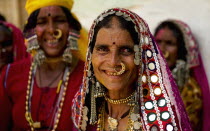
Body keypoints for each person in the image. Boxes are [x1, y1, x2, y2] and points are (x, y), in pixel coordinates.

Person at [72, 8, 192, 131]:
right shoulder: (83, 111)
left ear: (143, 57)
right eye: (103, 49)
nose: (113, 62)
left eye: (126, 50)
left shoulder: (161, 120)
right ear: (90, 55)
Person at [0, 0, 88, 130]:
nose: (52, 29)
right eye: (42, 22)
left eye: (59, 20)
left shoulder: (88, 78)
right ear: (32, 30)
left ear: (71, 27)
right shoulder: (10, 75)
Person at [154, 20, 210, 131]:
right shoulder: (142, 79)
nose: (162, 49)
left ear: (181, 50)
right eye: (158, 41)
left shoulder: (190, 89)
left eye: (170, 43)